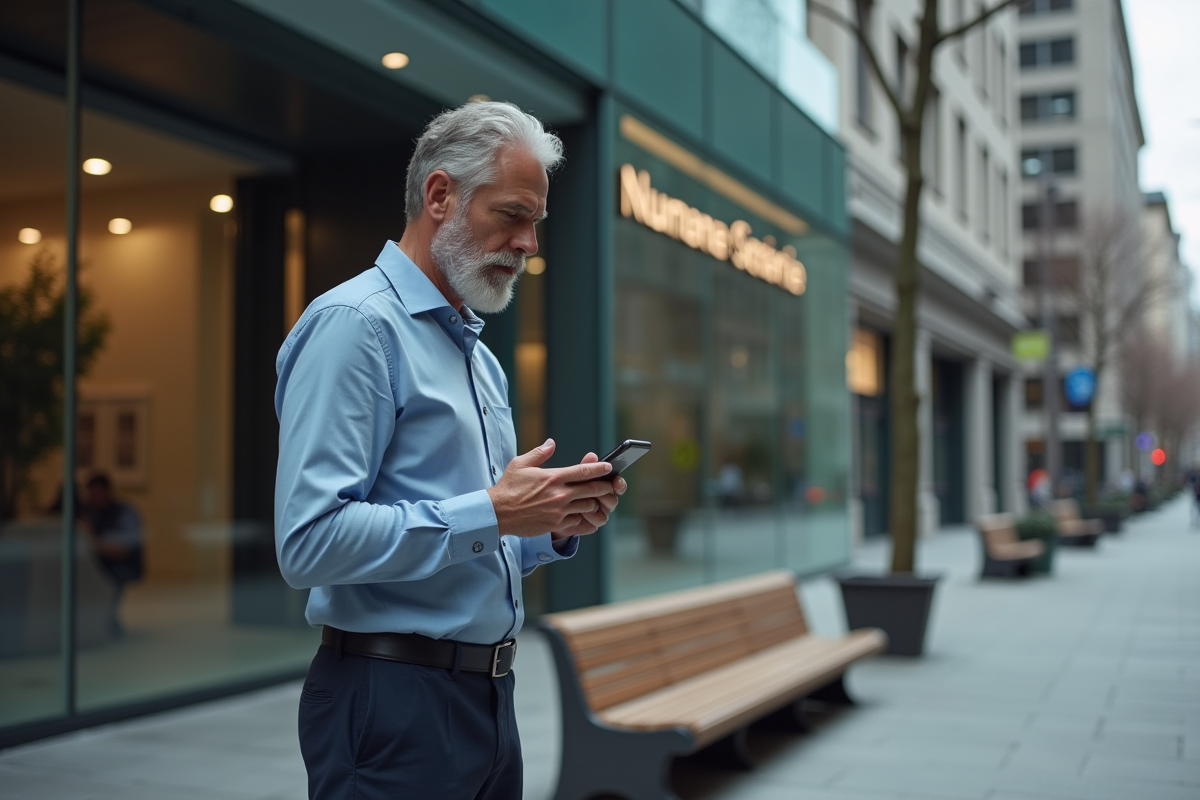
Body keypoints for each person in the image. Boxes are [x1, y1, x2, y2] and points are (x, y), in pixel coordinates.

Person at [274, 101, 625, 800]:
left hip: (487, 697)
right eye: (513, 214)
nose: (528, 243)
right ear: (440, 196)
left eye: (536, 222)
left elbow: (473, 537)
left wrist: (547, 523)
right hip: (390, 701)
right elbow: (308, 544)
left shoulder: (477, 356)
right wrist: (495, 511)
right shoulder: (355, 327)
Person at [83, 473, 144, 634]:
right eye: (91, 494)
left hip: (117, 564)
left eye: (97, 493)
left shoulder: (124, 512)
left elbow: (124, 549)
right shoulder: (89, 512)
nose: (94, 497)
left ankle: (106, 621)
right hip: (96, 562)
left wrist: (92, 541)